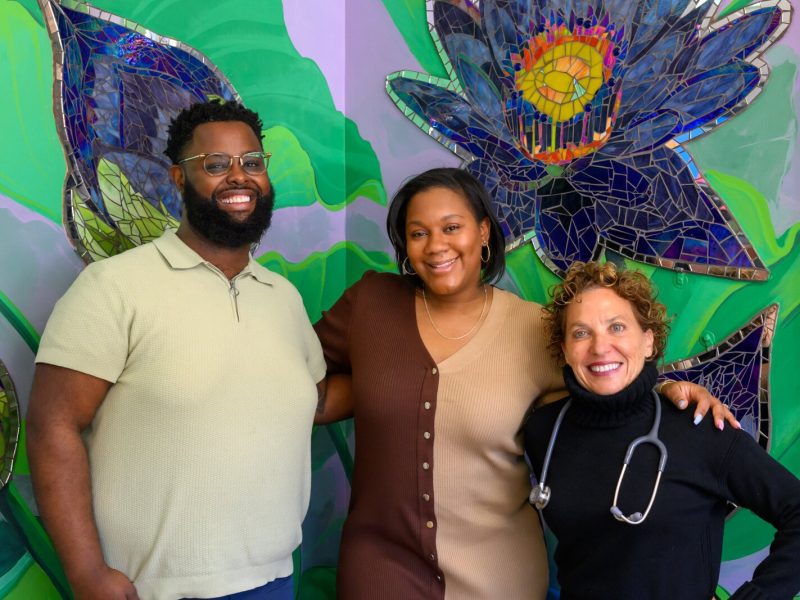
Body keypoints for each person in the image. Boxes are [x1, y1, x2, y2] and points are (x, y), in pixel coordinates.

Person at [313, 168, 736, 599]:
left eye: (452, 227)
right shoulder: (371, 304)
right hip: (381, 573)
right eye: (418, 233)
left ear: (483, 232)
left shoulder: (533, 329)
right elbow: (299, 375)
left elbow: (609, 387)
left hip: (499, 578)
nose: (436, 245)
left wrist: (665, 391)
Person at [26, 100, 326, 600]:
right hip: (154, 590)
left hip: (274, 580)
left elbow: (316, 400)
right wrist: (86, 572)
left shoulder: (283, 297)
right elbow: (52, 426)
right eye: (215, 165)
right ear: (178, 178)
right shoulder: (114, 287)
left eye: (252, 163)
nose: (239, 177)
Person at [525, 261, 800, 599]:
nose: (599, 347)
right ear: (565, 350)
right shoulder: (544, 432)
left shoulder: (700, 426)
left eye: (617, 327)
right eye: (581, 333)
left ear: (648, 341)